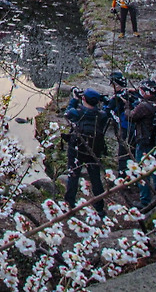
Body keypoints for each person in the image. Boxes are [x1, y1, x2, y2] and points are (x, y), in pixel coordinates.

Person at [64, 87, 111, 215]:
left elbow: (67, 113)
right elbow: (108, 109)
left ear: (83, 98)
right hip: (94, 151)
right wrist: (104, 100)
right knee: (96, 179)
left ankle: (70, 206)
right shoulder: (101, 116)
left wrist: (74, 99)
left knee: (73, 176)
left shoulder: (76, 113)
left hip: (76, 150)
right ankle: (100, 207)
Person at [126, 79, 156, 207]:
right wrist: (137, 92)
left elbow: (131, 116)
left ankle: (145, 201)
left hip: (145, 142)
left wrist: (126, 105)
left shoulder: (143, 106)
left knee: (142, 171)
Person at [105, 70, 137, 176]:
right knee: (133, 150)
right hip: (137, 127)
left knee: (123, 151)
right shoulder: (132, 93)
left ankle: (123, 175)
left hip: (126, 126)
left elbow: (108, 111)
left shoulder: (117, 97)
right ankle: (134, 172)